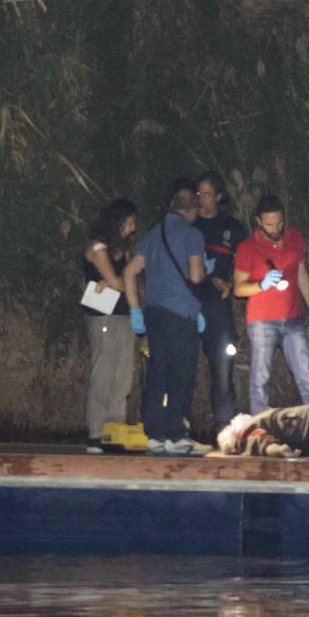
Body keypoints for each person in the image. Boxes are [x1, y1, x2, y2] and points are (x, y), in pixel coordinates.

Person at [121, 179, 213, 456]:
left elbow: (129, 272)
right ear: (193, 210)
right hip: (181, 312)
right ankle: (175, 434)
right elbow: (196, 275)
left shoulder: (154, 233)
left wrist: (136, 310)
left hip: (154, 312)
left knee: (158, 371)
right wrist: (207, 274)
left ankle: (154, 434)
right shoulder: (192, 234)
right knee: (180, 374)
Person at [232, 195, 309, 415]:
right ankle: (259, 424)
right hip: (262, 321)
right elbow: (238, 288)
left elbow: (301, 274)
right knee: (261, 376)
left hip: (293, 318)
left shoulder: (294, 238)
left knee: (306, 372)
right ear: (258, 221)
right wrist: (262, 285)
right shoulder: (248, 248)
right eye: (269, 224)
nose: (275, 228)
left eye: (279, 222)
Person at [81, 198, 139, 453]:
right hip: (103, 314)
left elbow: (128, 279)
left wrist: (121, 283)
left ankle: (114, 430)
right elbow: (116, 281)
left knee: (122, 375)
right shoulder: (97, 247)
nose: (133, 227)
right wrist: (117, 282)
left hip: (124, 314)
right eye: (129, 222)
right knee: (103, 373)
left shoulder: (124, 249)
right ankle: (95, 432)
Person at [192, 171, 245, 432]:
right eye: (198, 194)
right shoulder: (187, 225)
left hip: (218, 307)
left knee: (222, 365)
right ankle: (178, 425)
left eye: (208, 194)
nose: (202, 200)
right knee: (183, 365)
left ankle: (225, 425)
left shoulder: (232, 227)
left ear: (219, 196)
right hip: (189, 304)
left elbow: (246, 264)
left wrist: (232, 284)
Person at [216, 404, 309, 458]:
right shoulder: (246, 435)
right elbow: (262, 444)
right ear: (236, 433)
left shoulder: (257, 423)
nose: (234, 418)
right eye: (231, 425)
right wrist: (280, 450)